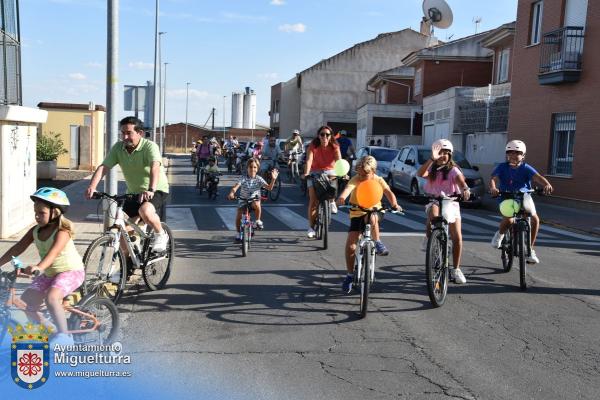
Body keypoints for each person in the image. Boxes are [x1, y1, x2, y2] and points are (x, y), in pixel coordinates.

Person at [0, 188, 84, 345]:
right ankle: (53, 330)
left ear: (55, 212)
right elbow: (16, 249)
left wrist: (38, 267)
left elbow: (52, 254)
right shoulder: (35, 231)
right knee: (26, 303)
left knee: (52, 298)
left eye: (42, 213)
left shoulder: (62, 232)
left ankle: (64, 338)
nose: (37, 216)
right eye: (35, 212)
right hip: (51, 273)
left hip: (71, 271)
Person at [85, 116, 170, 253]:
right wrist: (92, 187)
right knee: (122, 231)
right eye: (122, 133)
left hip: (156, 189)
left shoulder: (150, 146)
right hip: (134, 193)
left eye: (128, 133)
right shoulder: (118, 148)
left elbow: (155, 167)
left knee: (145, 211)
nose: (125, 137)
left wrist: (151, 189)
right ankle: (127, 268)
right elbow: (104, 167)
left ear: (140, 133)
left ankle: (160, 234)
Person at [336, 156, 401, 293]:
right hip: (357, 212)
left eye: (364, 174)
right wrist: (342, 198)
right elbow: (348, 189)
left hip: (375, 210)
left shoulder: (378, 180)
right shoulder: (356, 179)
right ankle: (349, 275)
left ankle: (377, 242)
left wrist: (394, 204)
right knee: (351, 246)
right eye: (359, 173)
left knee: (372, 217)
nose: (361, 176)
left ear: (373, 172)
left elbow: (388, 192)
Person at [489, 140, 553, 264]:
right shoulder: (502, 167)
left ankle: (529, 250)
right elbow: (493, 179)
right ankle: (500, 234)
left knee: (535, 220)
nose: (513, 155)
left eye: (517, 153)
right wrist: (493, 188)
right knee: (509, 220)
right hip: (506, 196)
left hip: (523, 197)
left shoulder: (526, 168)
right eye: (510, 153)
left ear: (523, 155)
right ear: (507, 154)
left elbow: (538, 177)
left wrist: (547, 184)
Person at [417, 139, 470, 284]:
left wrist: (465, 189)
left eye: (446, 153)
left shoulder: (453, 170)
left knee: (457, 237)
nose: (443, 156)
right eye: (440, 153)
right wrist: (431, 159)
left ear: (450, 155)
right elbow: (420, 173)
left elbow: (461, 181)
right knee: (433, 215)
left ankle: (456, 269)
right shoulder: (432, 169)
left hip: (451, 203)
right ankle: (430, 237)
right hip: (435, 201)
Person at [303, 125, 342, 238]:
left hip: (330, 171)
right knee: (313, 201)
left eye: (327, 134)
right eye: (322, 134)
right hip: (314, 172)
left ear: (331, 136)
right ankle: (311, 227)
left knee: (335, 180)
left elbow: (339, 160)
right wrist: (307, 173)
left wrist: (342, 173)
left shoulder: (335, 146)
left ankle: (332, 200)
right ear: (318, 136)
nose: (325, 137)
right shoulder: (313, 145)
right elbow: (309, 160)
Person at [227, 158, 279, 241]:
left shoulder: (259, 179)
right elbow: (235, 187)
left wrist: (273, 179)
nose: (252, 169)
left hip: (253, 201)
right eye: (250, 167)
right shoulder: (243, 178)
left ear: (257, 169)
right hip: (243, 200)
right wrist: (232, 193)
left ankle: (258, 220)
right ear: (247, 168)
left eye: (255, 167)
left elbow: (269, 188)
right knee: (239, 216)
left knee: (257, 202)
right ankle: (238, 232)